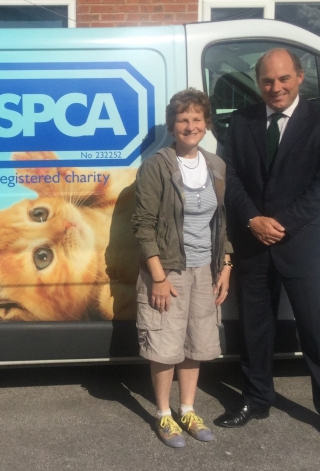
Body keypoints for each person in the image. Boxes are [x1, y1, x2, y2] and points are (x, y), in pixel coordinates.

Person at [215, 48, 320, 452]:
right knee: (255, 332)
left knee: (318, 334)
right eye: (267, 81)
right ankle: (257, 399)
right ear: (258, 82)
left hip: (303, 245)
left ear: (299, 78)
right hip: (253, 244)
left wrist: (283, 223)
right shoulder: (240, 123)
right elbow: (231, 177)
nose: (275, 88)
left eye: (283, 79)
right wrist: (252, 220)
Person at [131, 88, 232, 448]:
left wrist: (226, 265)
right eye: (183, 119)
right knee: (165, 346)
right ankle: (163, 414)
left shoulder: (215, 165)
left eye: (196, 119)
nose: (190, 126)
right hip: (169, 271)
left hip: (205, 268)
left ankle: (187, 409)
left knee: (196, 344)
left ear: (206, 123)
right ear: (173, 125)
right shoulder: (157, 166)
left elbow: (221, 221)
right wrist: (157, 277)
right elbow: (142, 225)